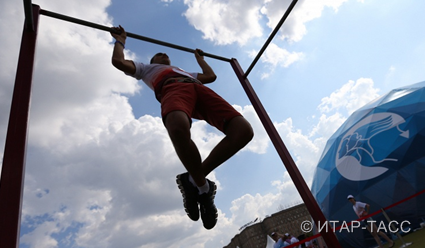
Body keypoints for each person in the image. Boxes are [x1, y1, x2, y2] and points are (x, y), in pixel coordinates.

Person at [110, 25, 254, 230]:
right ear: (152, 62)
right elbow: (118, 62)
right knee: (177, 127)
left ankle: (193, 181)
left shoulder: (185, 70)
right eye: (158, 54)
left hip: (197, 88)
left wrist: (200, 59)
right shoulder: (145, 69)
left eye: (165, 54)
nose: (163, 54)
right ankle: (203, 187)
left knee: (244, 131)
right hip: (173, 88)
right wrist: (120, 41)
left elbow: (210, 77)